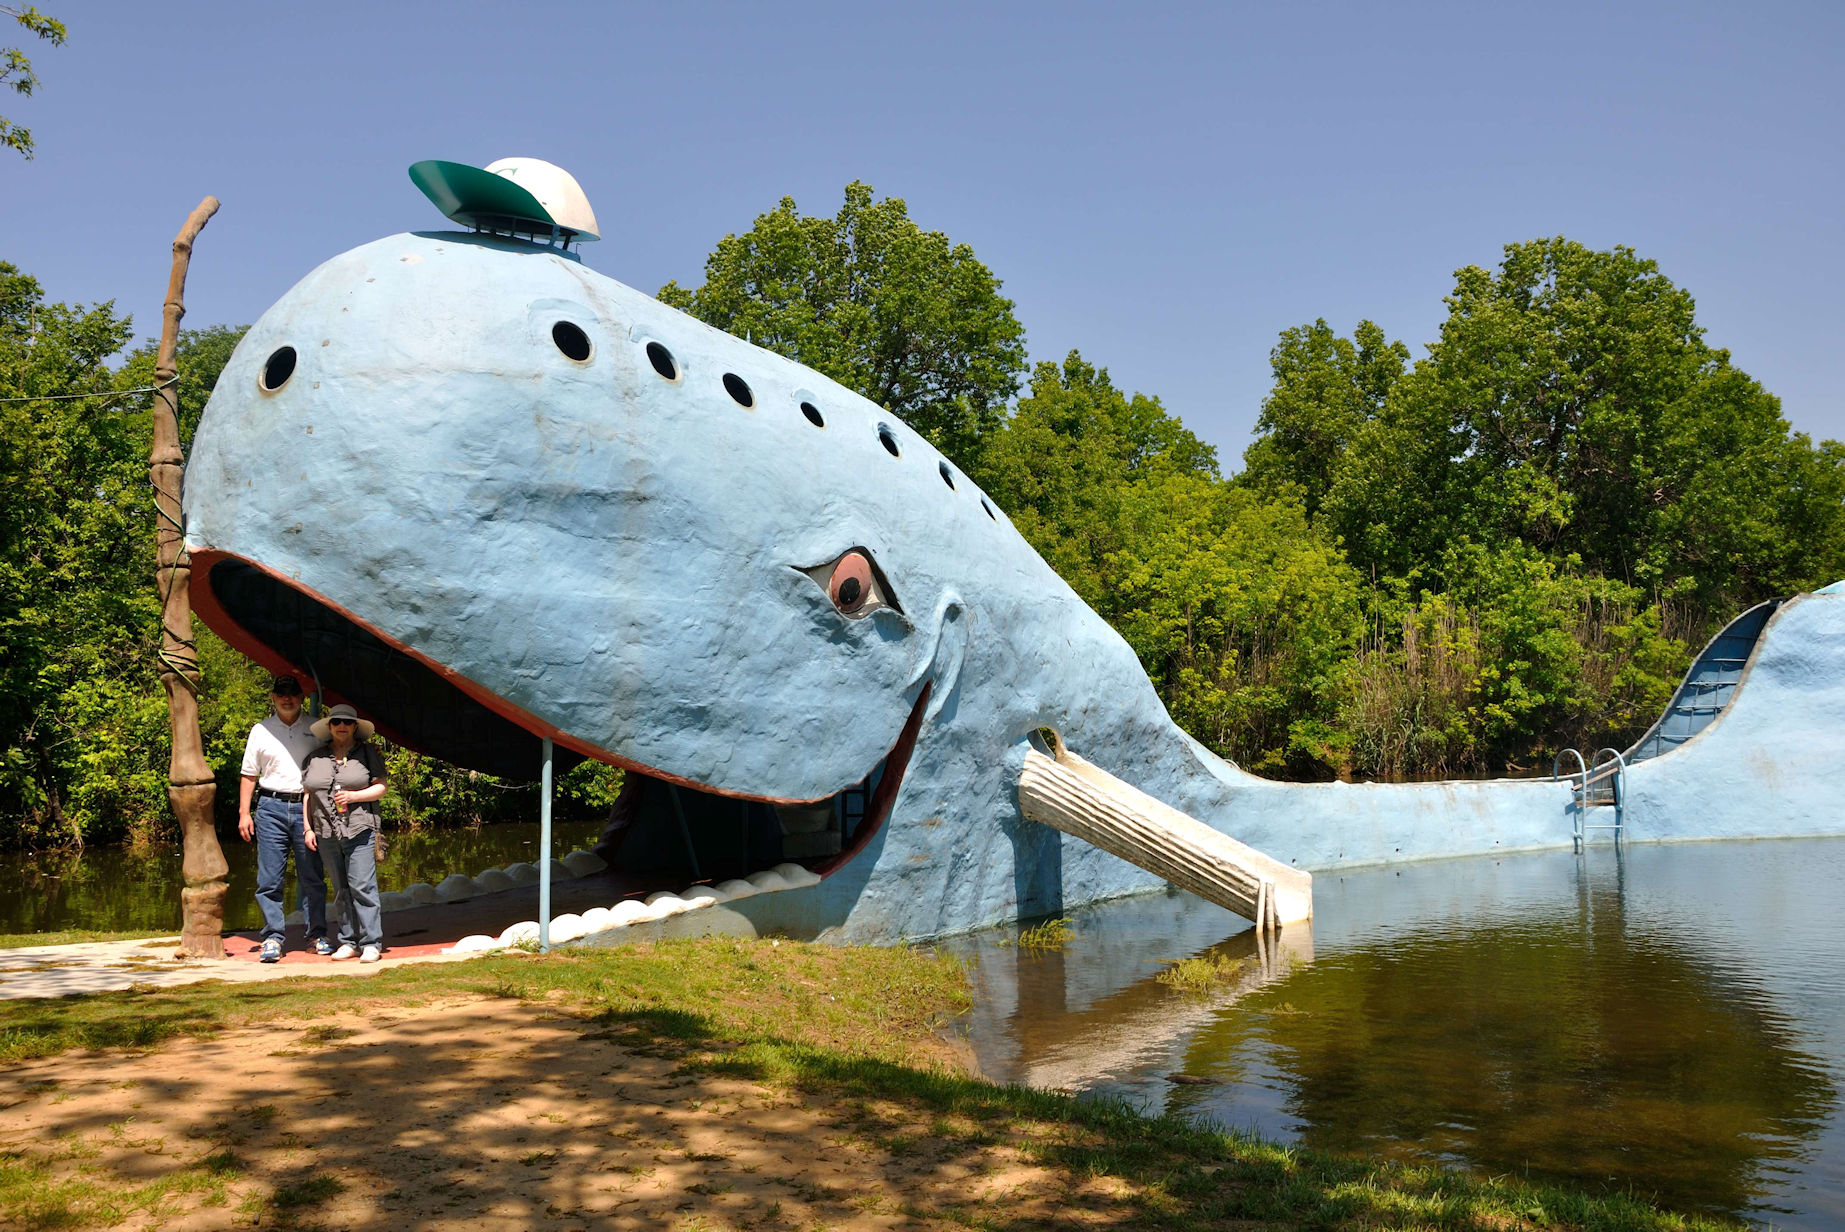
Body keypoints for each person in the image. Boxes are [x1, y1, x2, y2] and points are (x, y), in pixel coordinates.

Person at [238, 674, 329, 962]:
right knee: (269, 879)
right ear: (273, 697)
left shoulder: (315, 728)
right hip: (270, 808)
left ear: (301, 698)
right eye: (281, 693)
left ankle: (316, 935)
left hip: (307, 808)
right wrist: (244, 813)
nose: (287, 698)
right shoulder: (260, 730)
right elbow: (249, 774)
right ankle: (273, 938)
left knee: (312, 876)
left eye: (292, 693)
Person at [301, 704, 389, 963]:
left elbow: (381, 787)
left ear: (354, 727)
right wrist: (307, 828)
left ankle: (371, 942)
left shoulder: (367, 753)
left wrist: (354, 796)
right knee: (340, 889)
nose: (342, 726)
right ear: (329, 726)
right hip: (325, 830)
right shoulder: (315, 757)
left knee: (363, 886)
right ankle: (349, 941)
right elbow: (307, 795)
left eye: (347, 722)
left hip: (360, 828)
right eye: (336, 721)